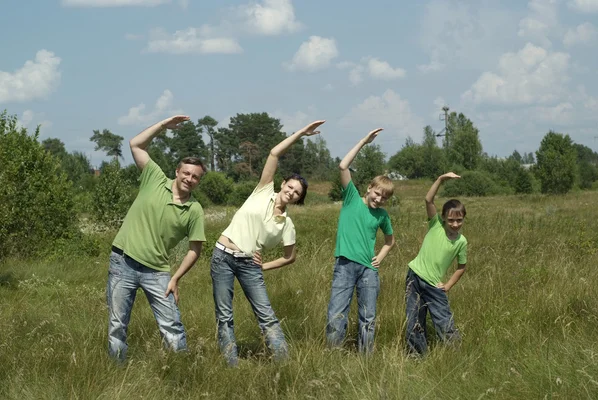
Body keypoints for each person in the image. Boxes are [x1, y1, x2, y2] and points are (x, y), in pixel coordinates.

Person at [211, 120, 325, 366]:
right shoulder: (263, 189)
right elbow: (274, 152)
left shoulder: (287, 225)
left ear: (298, 200)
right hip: (222, 256)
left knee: (266, 316)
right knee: (224, 316)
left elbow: (289, 257)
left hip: (249, 265)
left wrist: (263, 266)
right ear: (283, 183)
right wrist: (301, 134)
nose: (292, 192)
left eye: (297, 194)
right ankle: (231, 366)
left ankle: (285, 365)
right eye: (291, 187)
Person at [106, 115, 206, 361]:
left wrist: (176, 278)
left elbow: (195, 249)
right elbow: (136, 144)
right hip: (123, 262)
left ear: (198, 181)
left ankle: (181, 374)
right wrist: (163, 126)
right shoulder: (154, 178)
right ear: (177, 171)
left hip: (158, 272)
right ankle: (116, 373)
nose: (189, 179)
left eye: (195, 177)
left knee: (172, 326)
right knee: (117, 325)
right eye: (186, 173)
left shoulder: (194, 209)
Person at [325, 128, 395, 354]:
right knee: (337, 314)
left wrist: (379, 259)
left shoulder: (382, 216)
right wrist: (364, 141)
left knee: (368, 317)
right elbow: (343, 166)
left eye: (384, 197)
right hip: (344, 265)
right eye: (377, 193)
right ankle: (333, 356)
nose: (379, 199)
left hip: (368, 270)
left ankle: (366, 360)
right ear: (369, 188)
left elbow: (390, 241)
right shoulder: (351, 199)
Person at [405, 172, 467, 356]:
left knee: (444, 322)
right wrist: (440, 179)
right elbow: (428, 200)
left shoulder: (461, 242)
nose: (455, 224)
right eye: (451, 220)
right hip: (414, 278)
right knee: (414, 321)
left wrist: (447, 286)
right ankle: (416, 357)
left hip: (434, 285)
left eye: (459, 220)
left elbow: (461, 267)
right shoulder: (436, 225)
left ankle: (455, 356)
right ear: (443, 218)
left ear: (463, 219)